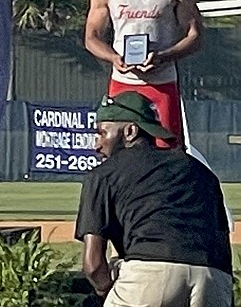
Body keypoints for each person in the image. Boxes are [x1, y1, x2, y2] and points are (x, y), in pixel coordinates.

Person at [76, 91, 232, 306]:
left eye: (102, 133)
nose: (97, 145)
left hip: (151, 274)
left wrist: (106, 291)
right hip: (214, 276)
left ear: (130, 131)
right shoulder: (201, 171)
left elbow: (93, 265)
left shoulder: (103, 174)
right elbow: (221, 237)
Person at [83, 0, 203, 148]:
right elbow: (91, 38)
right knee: (118, 151)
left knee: (167, 152)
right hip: (122, 83)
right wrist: (114, 58)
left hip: (162, 84)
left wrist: (163, 57)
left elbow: (195, 36)